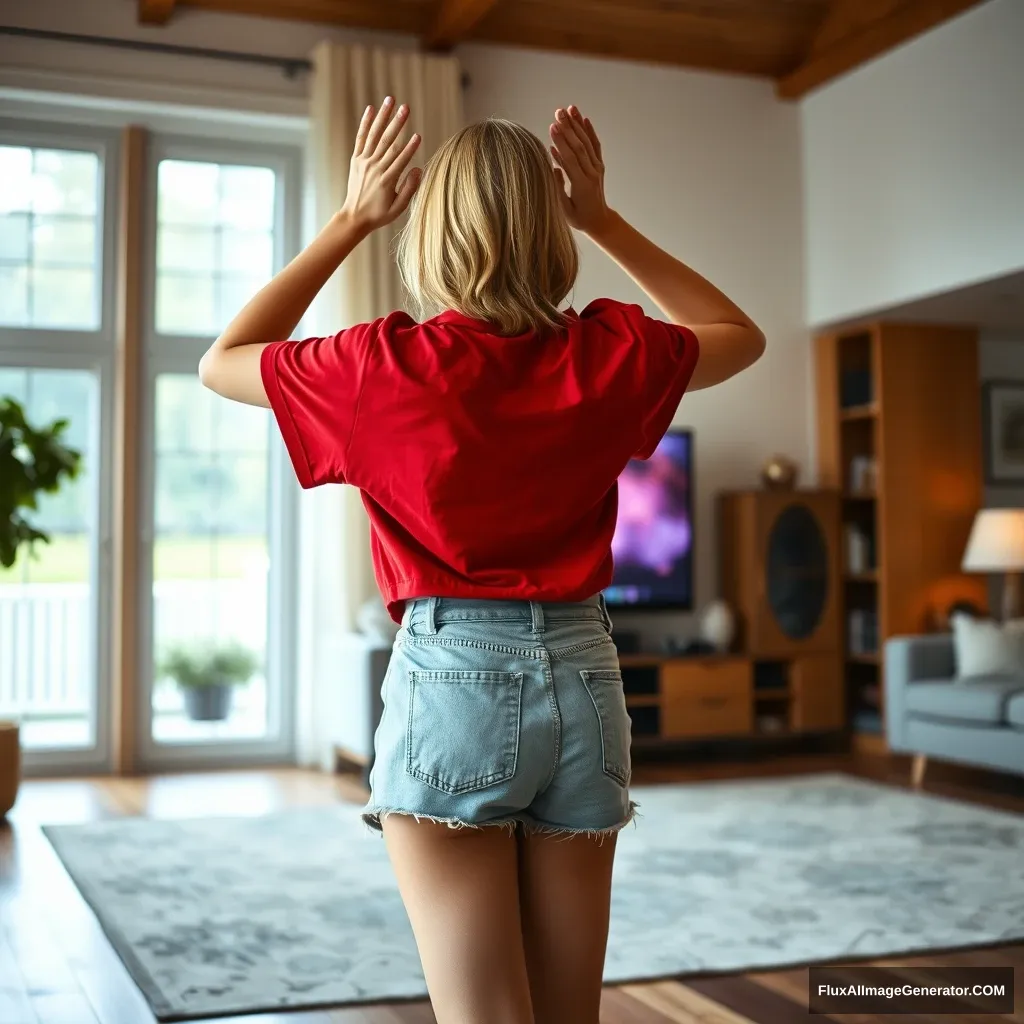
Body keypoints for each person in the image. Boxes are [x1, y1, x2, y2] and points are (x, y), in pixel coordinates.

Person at [200, 97, 765, 1024]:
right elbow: (740, 335)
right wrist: (605, 216)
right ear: (554, 230)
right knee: (568, 1009)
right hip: (587, 677)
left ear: (429, 232)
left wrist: (350, 220)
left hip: (451, 680)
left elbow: (225, 360)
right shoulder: (610, 350)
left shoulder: (378, 367)